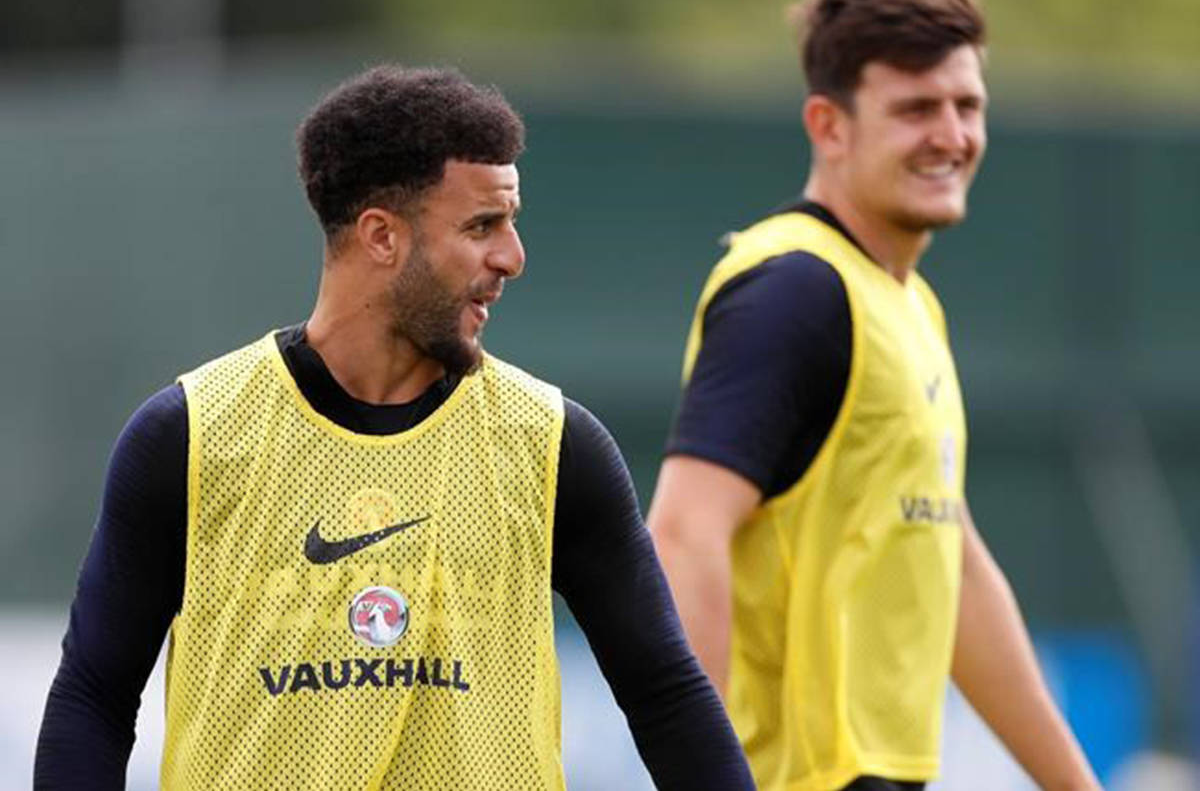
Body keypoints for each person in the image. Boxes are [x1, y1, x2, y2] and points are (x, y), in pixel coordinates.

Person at [34, 65, 754, 790]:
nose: (513, 256)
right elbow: (93, 698)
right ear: (381, 235)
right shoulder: (190, 436)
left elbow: (667, 697)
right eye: (482, 226)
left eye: (510, 222)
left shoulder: (554, 444)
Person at [646, 0, 1101, 790]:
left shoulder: (908, 304)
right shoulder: (793, 287)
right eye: (917, 108)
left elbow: (950, 560)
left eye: (968, 106)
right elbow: (683, 533)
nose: (952, 136)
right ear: (828, 124)